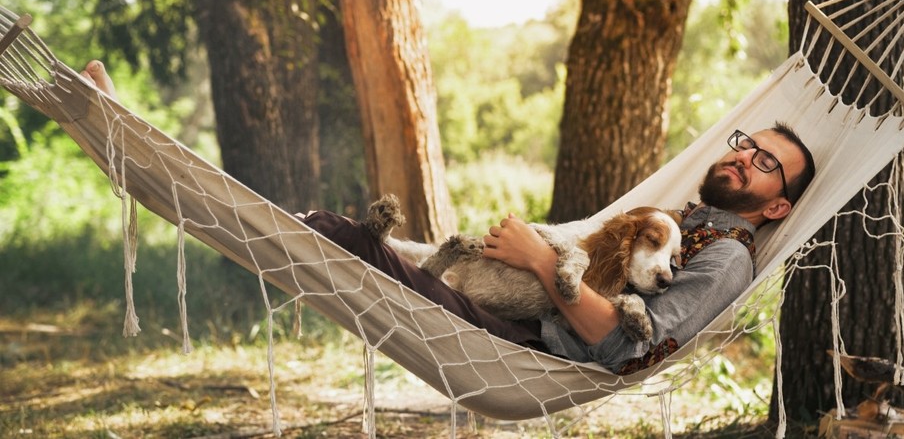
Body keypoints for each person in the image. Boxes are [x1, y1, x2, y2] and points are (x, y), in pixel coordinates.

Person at [80, 60, 815, 373]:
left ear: (778, 204)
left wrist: (535, 260)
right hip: (496, 301)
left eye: (765, 164)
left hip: (527, 344)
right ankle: (151, 160)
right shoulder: (677, 219)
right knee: (356, 241)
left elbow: (629, 351)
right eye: (748, 143)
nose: (745, 156)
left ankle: (151, 165)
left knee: (343, 241)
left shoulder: (725, 257)